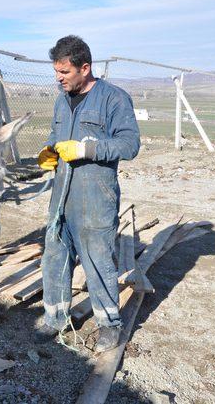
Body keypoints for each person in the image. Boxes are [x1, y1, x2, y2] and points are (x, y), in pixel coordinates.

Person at [35, 36, 140, 352]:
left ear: (85, 67)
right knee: (54, 257)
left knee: (98, 260)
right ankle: (55, 318)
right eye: (56, 71)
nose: (59, 78)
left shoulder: (113, 99)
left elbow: (129, 144)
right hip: (61, 196)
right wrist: (49, 151)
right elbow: (57, 134)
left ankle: (109, 324)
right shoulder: (61, 99)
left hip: (95, 196)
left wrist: (87, 148)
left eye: (64, 72)